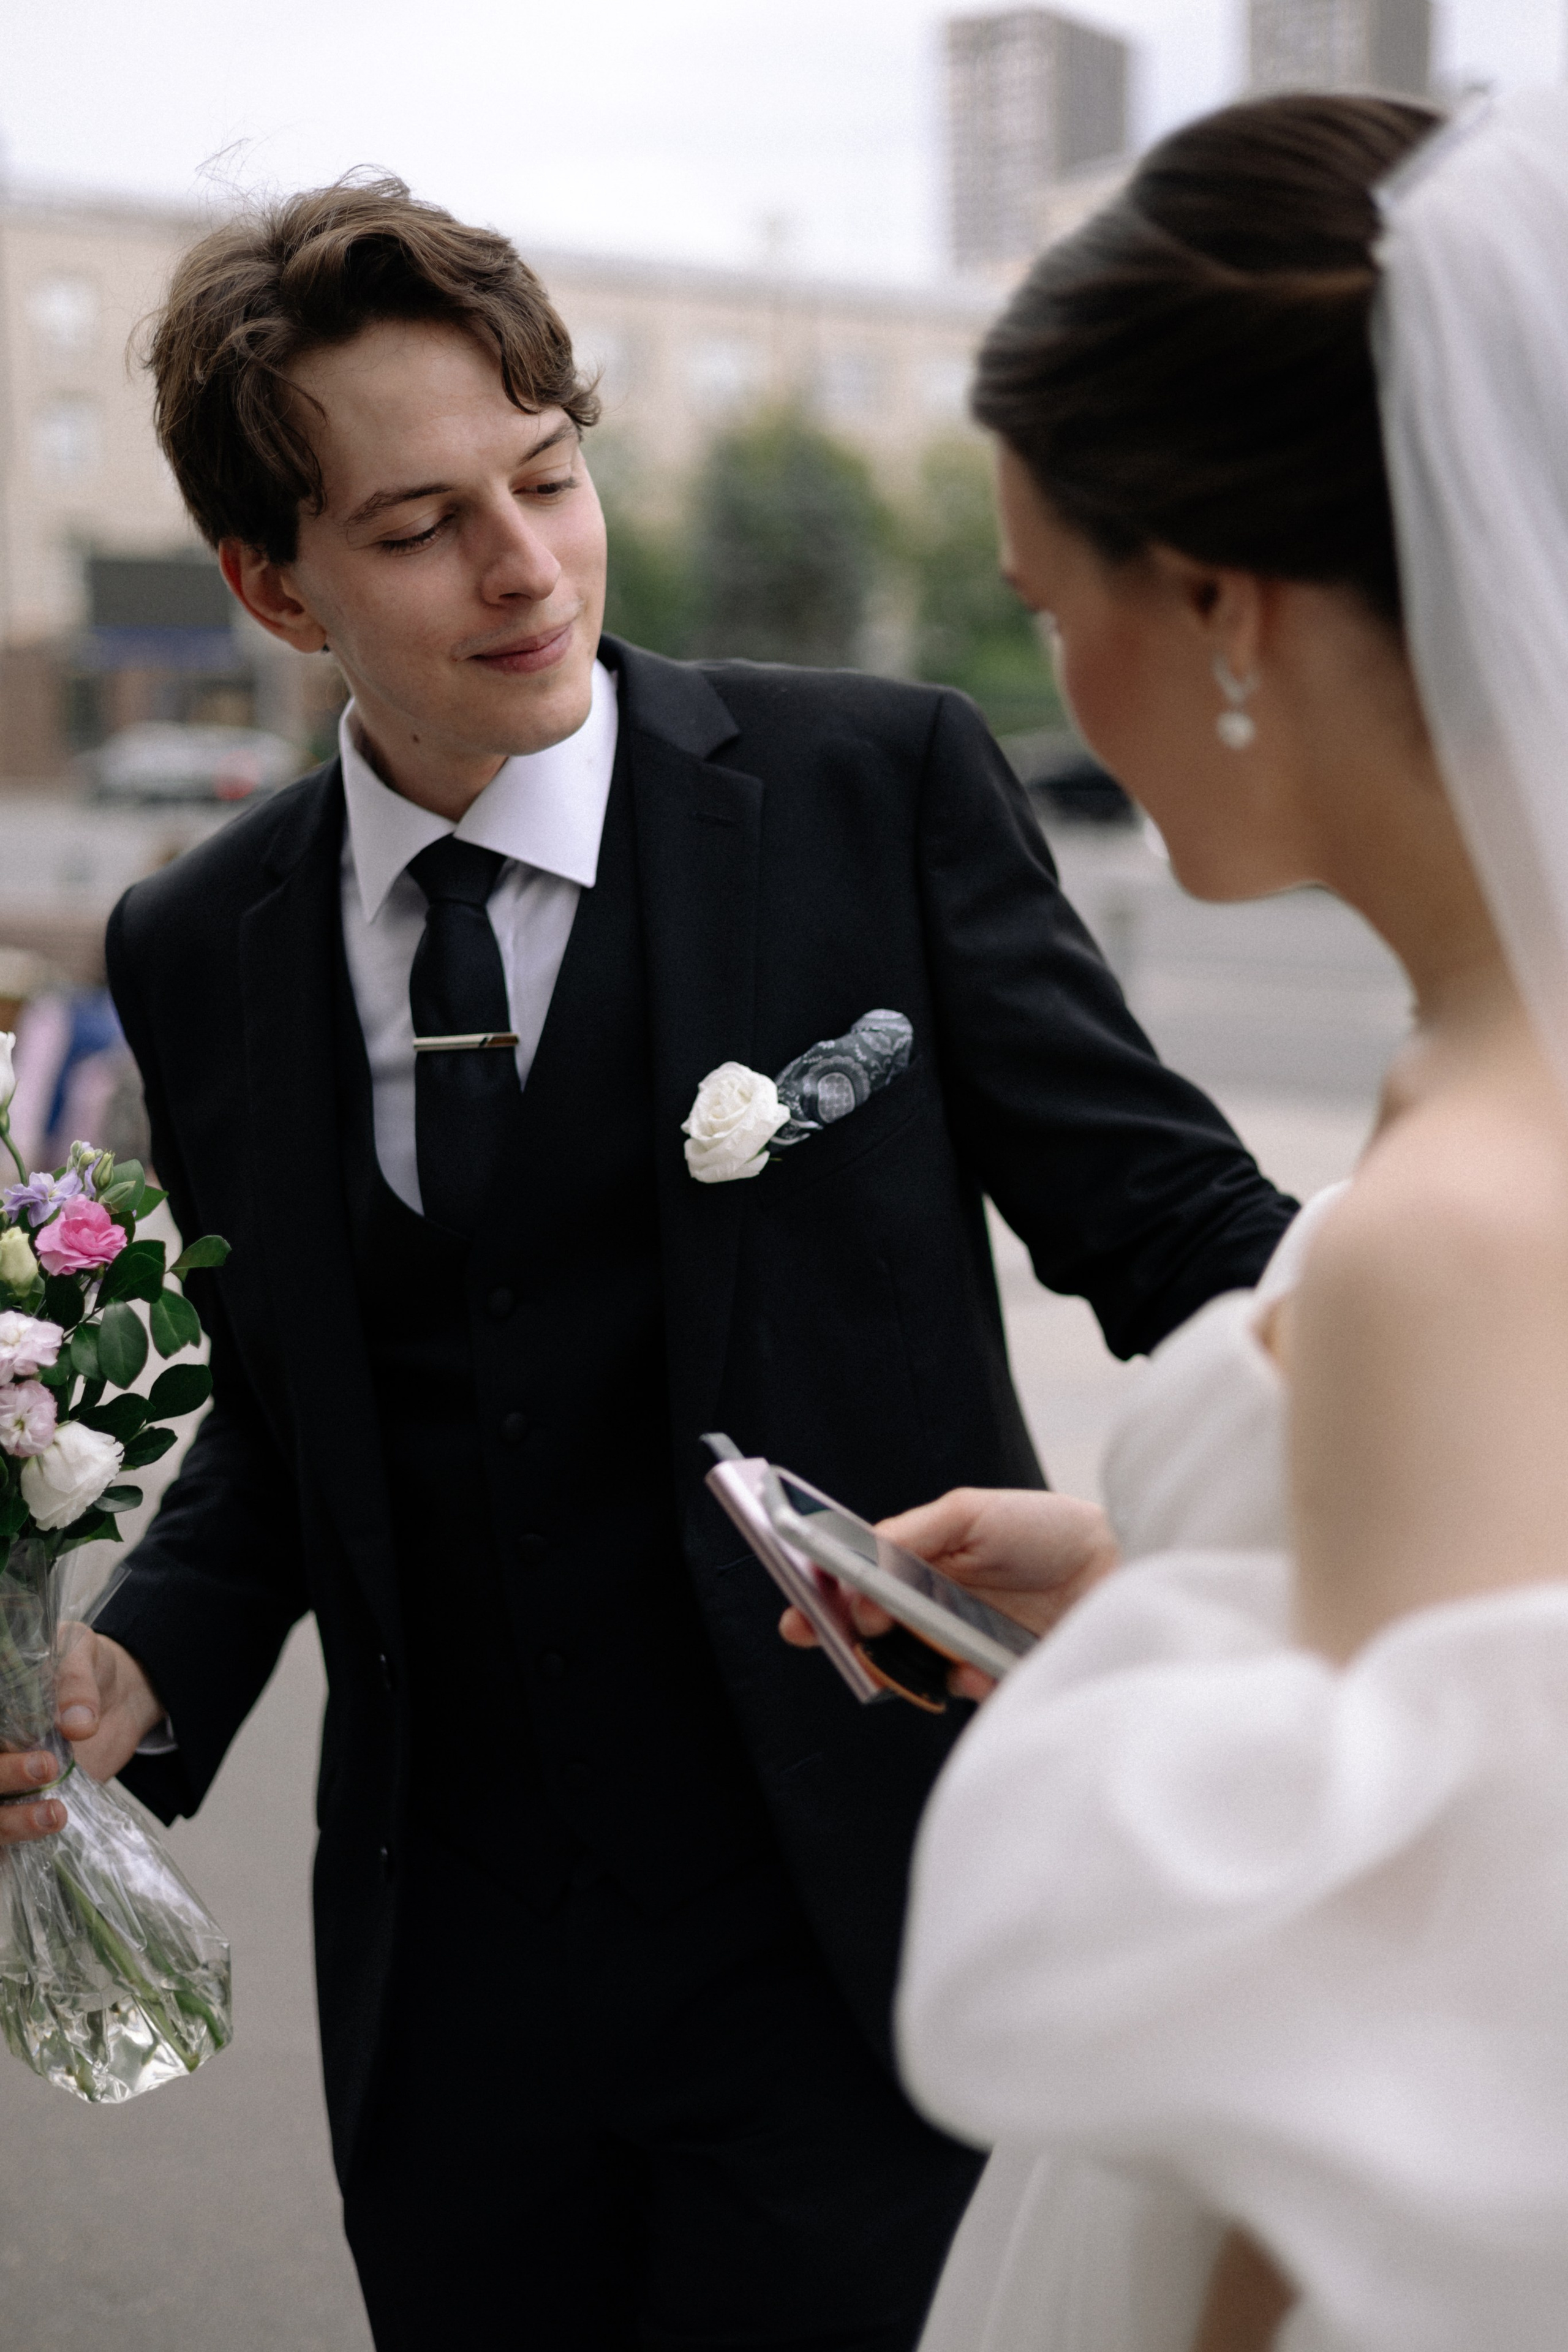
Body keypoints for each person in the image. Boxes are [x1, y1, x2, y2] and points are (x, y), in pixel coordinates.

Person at [0, 179, 1293, 2351]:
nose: (526, 567)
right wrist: (135, 1673)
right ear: (271, 584)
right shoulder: (195, 941)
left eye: (552, 477)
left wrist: (1284, 1545)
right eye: (418, 527)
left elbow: (1197, 1248)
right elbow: (301, 1403)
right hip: (458, 1999)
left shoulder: (870, 787)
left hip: (866, 1935)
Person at [842, 86, 1568, 2352]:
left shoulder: (1456, 1212)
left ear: (1223, 601)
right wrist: (1179, 1578)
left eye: (1051, 605)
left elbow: (1397, 2158)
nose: (1054, 678)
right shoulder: (1475, 1076)